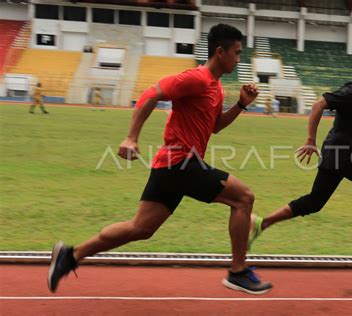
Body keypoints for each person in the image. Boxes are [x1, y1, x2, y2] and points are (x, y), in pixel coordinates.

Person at [47, 24, 272, 295]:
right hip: (181, 162)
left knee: (141, 228)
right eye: (236, 53)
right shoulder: (196, 78)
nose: (238, 59)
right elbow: (151, 93)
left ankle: (70, 256)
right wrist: (131, 137)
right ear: (219, 51)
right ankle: (238, 272)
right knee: (243, 198)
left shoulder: (216, 87)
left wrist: (241, 105)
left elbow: (215, 127)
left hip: (171, 166)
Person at [248, 55, 352, 255]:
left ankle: (262, 223)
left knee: (314, 202)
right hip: (343, 155)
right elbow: (318, 105)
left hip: (334, 154)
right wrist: (310, 139)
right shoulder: (350, 92)